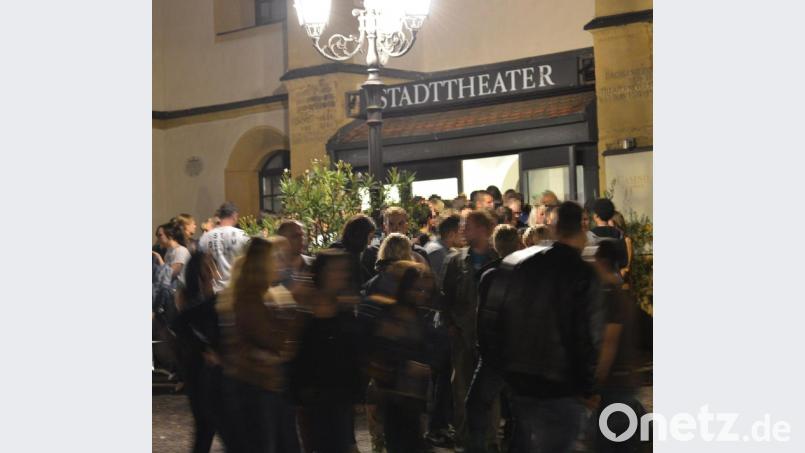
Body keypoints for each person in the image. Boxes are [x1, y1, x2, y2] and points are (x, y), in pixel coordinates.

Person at [483, 201, 602, 453]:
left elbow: (492, 319)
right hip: (562, 383)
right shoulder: (582, 273)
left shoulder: (519, 263)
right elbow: (586, 333)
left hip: (521, 379)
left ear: (553, 227)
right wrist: (588, 385)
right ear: (582, 228)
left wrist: (502, 366)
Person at [216, 236, 304, 453]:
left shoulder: (265, 296)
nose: (281, 263)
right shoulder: (251, 300)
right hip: (255, 386)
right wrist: (294, 315)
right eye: (276, 258)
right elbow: (271, 341)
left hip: (262, 385)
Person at [291, 250, 363, 453]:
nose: (341, 275)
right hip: (316, 397)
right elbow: (299, 353)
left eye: (343, 270)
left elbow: (352, 352)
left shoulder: (345, 308)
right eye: (335, 270)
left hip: (340, 394)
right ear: (321, 273)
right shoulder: (305, 308)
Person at [361, 261, 435, 453]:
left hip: (412, 397)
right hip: (394, 396)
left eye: (425, 291)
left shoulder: (417, 314)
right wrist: (407, 366)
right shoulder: (391, 314)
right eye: (417, 289)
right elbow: (381, 352)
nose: (422, 295)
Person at [440, 209, 498, 450]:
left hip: (491, 340)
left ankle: (490, 439)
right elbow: (445, 297)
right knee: (461, 389)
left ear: (484, 229)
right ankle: (466, 439)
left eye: (468, 225)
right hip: (463, 337)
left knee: (490, 393)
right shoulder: (455, 261)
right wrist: (451, 325)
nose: (462, 229)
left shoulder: (498, 259)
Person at [466, 224, 523, 453]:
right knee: (520, 410)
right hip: (522, 353)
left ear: (495, 245)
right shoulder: (530, 272)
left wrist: (482, 347)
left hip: (496, 354)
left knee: (476, 406)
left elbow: (484, 317)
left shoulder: (490, 276)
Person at [170, 251, 230, 453]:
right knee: (206, 423)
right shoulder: (188, 294)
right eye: (205, 266)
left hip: (215, 365)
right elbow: (181, 327)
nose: (209, 270)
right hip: (197, 364)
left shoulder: (216, 293)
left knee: (211, 425)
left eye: (211, 265)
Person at [591, 240, 644, 452]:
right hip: (623, 382)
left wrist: (595, 381)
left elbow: (609, 342)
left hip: (614, 385)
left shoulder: (610, 295)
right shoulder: (620, 294)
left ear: (601, 261)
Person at [361, 207, 429, 280]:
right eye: (391, 224)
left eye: (400, 224)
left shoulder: (419, 252)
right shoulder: (371, 252)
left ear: (406, 226)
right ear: (384, 226)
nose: (396, 228)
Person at [198, 202, 251, 293]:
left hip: (215, 290)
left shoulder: (204, 238)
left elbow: (201, 265)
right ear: (234, 216)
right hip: (236, 289)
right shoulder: (242, 235)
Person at [330, 213, 377, 290]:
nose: (369, 243)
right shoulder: (340, 251)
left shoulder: (358, 253)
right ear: (361, 236)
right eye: (370, 238)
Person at [588, 198, 629, 272]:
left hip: (597, 279)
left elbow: (587, 261)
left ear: (596, 216)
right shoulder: (619, 234)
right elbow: (624, 262)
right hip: (614, 278)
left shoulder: (590, 235)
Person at [609, 211, 634, 281]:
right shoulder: (611, 238)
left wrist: (618, 279)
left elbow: (627, 266)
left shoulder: (626, 240)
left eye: (608, 220)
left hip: (621, 281)